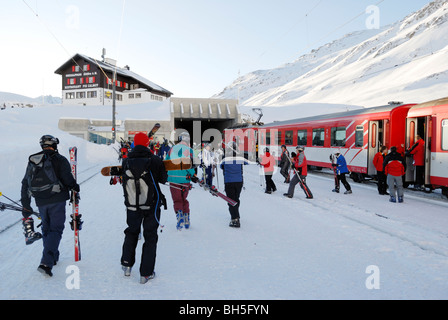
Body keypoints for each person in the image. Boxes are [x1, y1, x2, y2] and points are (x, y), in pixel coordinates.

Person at [20, 135, 80, 277]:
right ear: (54, 145)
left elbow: (25, 183)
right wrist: (75, 187)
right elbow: (67, 179)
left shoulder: (33, 161)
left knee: (47, 229)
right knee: (56, 229)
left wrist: (26, 206)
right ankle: (46, 263)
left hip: (40, 201)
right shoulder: (59, 159)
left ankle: (53, 256)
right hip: (57, 199)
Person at [120, 132, 168, 284]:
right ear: (147, 144)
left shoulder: (126, 161)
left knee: (131, 232)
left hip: (132, 204)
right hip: (151, 204)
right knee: (150, 236)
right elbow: (163, 178)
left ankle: (126, 265)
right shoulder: (154, 159)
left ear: (134, 144)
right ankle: (145, 273)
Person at [166, 132, 196, 230]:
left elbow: (166, 163)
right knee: (184, 198)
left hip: (173, 179)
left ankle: (179, 216)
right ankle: (186, 217)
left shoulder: (172, 149)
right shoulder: (190, 150)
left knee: (177, 199)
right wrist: (192, 175)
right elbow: (192, 165)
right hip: (185, 179)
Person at [220, 142, 248, 228]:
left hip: (229, 182)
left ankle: (235, 219)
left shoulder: (225, 159)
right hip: (239, 182)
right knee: (236, 198)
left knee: (231, 201)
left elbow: (222, 167)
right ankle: (236, 214)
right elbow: (246, 162)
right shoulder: (240, 158)